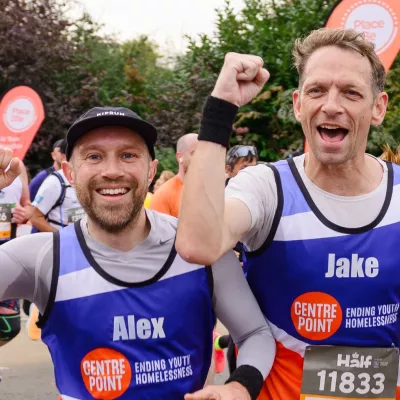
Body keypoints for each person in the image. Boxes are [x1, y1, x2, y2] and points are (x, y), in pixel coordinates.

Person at [177, 28, 397, 400]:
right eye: (316, 90)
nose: (331, 105)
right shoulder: (266, 187)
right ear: (298, 104)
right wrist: (221, 107)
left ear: (378, 108)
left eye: (351, 92)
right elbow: (198, 243)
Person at [0, 107, 275, 399]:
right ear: (70, 172)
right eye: (94, 156)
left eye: (128, 155)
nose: (112, 171)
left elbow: (254, 334)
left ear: (151, 170)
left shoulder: (199, 250)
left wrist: (240, 386)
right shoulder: (41, 257)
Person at [0, 162, 30, 348]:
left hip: (7, 249)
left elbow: (27, 204)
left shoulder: (17, 165)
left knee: (9, 326)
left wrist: (24, 214)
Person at [30, 139, 84, 232]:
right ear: (64, 156)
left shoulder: (90, 178)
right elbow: (34, 216)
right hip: (62, 243)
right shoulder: (54, 181)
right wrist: (61, 237)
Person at [150, 133, 198, 217]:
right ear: (180, 157)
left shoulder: (211, 190)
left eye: (203, 153)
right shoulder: (164, 195)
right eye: (193, 153)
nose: (200, 158)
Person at [29, 139, 65, 203]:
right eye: (60, 151)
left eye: (66, 151)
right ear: (53, 155)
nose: (63, 154)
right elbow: (29, 203)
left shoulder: (74, 176)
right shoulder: (42, 178)